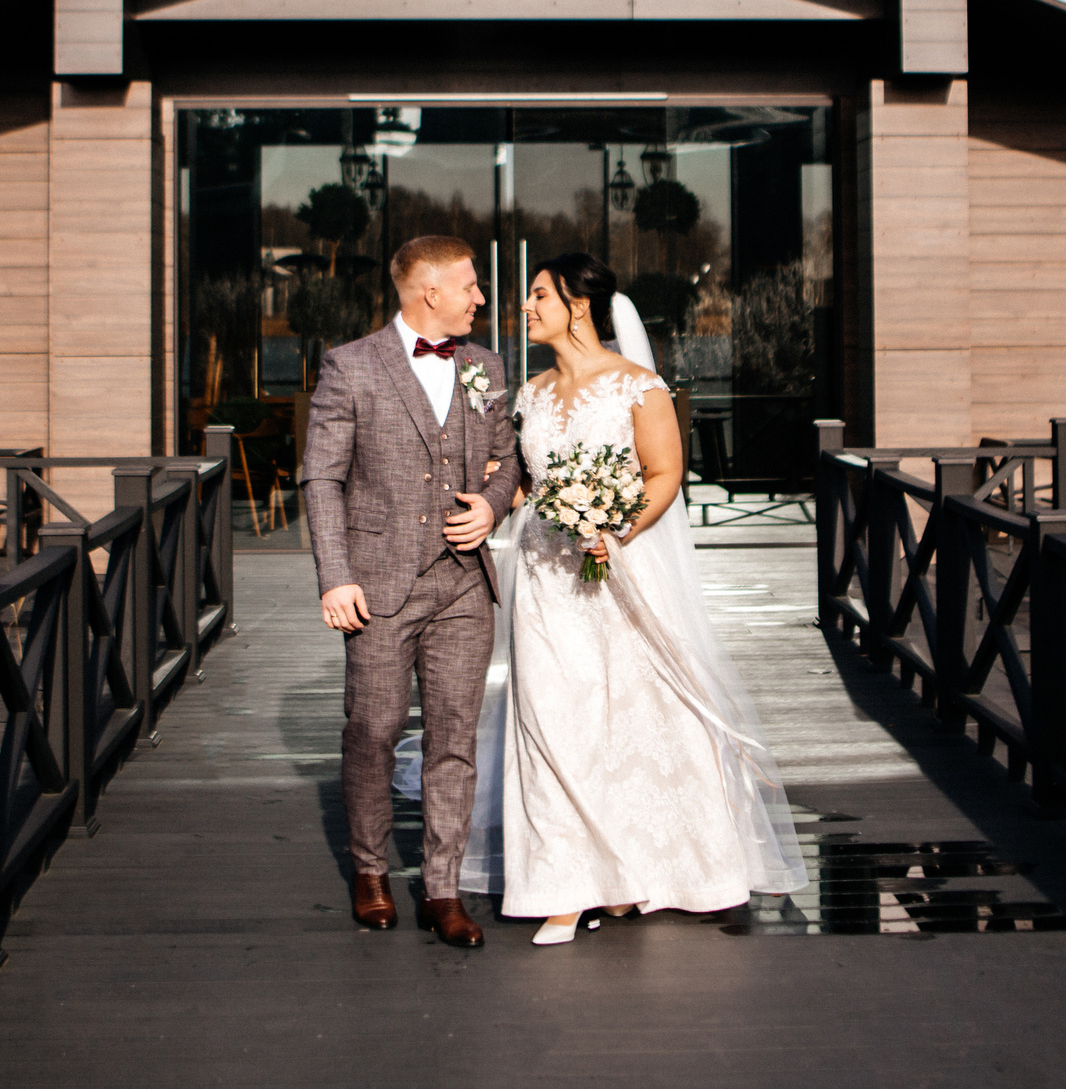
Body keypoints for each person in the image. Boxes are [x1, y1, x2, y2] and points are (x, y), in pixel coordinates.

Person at [460, 251, 808, 945]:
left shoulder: (637, 387)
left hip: (617, 568)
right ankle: (565, 883)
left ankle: (646, 867)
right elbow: (527, 484)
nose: (523, 308)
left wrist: (611, 528)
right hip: (543, 575)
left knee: (636, 711)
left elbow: (664, 472)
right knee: (551, 713)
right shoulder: (528, 395)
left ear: (577, 304)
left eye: (536, 295)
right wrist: (492, 500)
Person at [301, 234, 522, 949]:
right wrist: (335, 575)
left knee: (454, 739)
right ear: (430, 291)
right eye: (470, 286)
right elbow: (322, 477)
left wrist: (492, 503)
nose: (480, 298)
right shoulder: (351, 365)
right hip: (377, 582)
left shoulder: (485, 366)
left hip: (462, 584)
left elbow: (510, 457)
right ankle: (369, 870)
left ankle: (442, 888)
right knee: (374, 728)